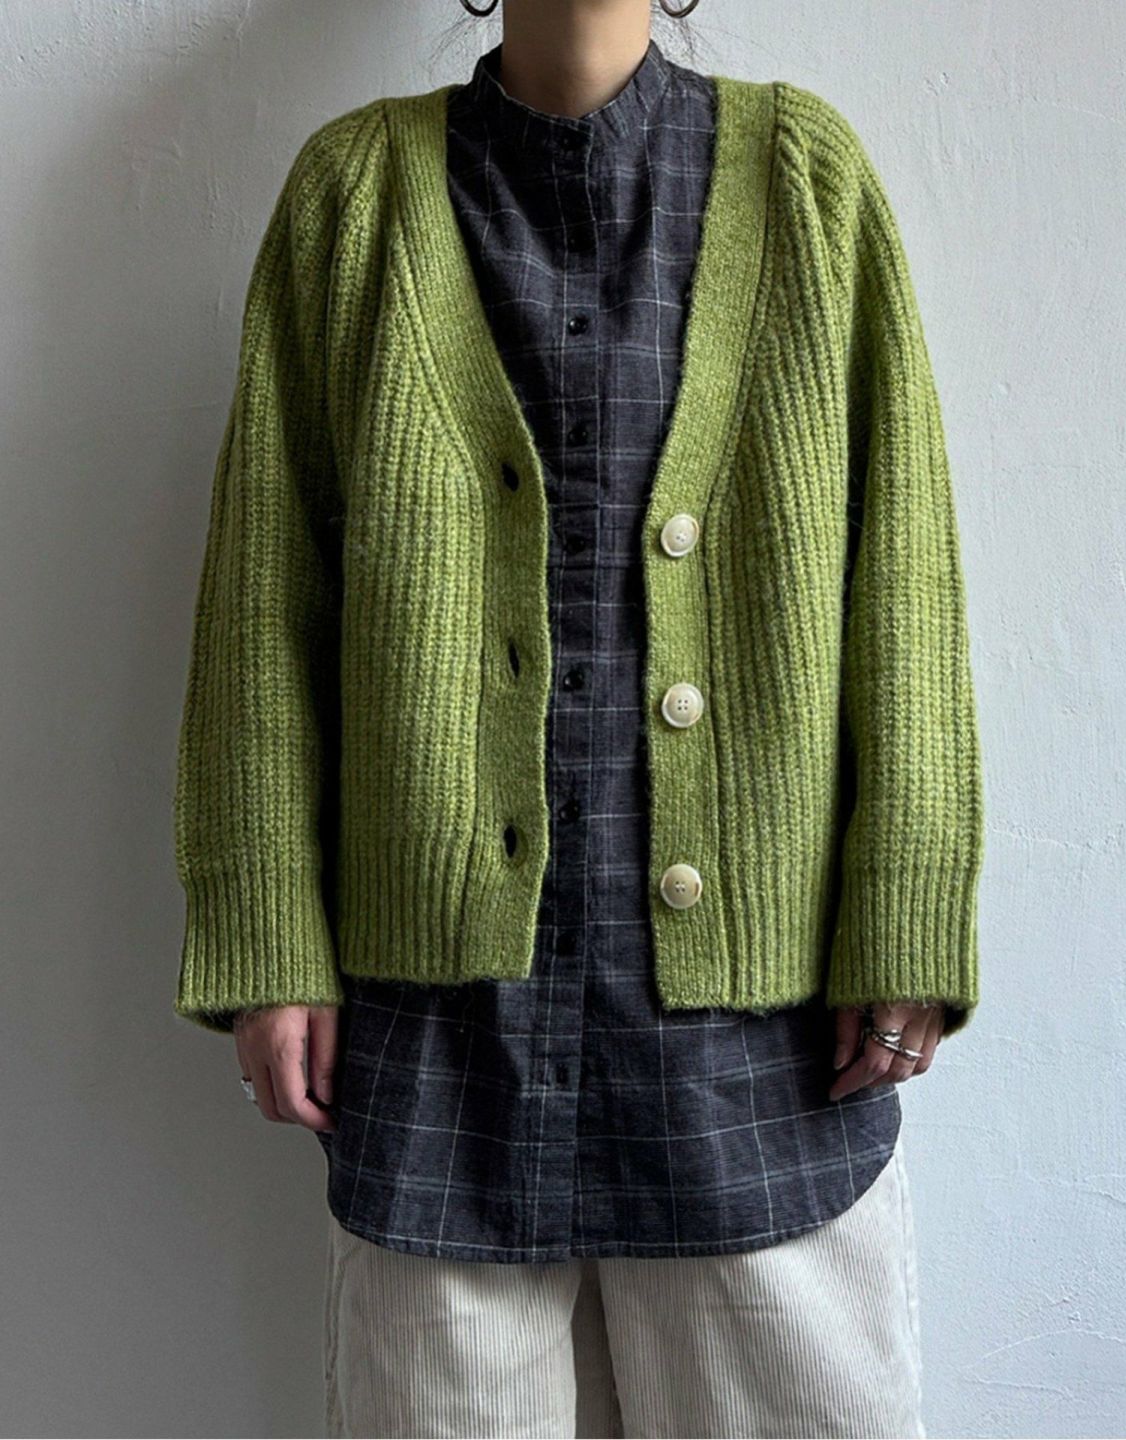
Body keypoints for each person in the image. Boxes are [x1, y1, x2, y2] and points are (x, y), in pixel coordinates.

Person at [170, 1, 985, 1435]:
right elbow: (262, 603)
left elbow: (904, 579)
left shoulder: (807, 183)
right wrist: (267, 933)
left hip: (762, 1043)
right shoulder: (354, 199)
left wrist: (908, 911)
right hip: (442, 1045)